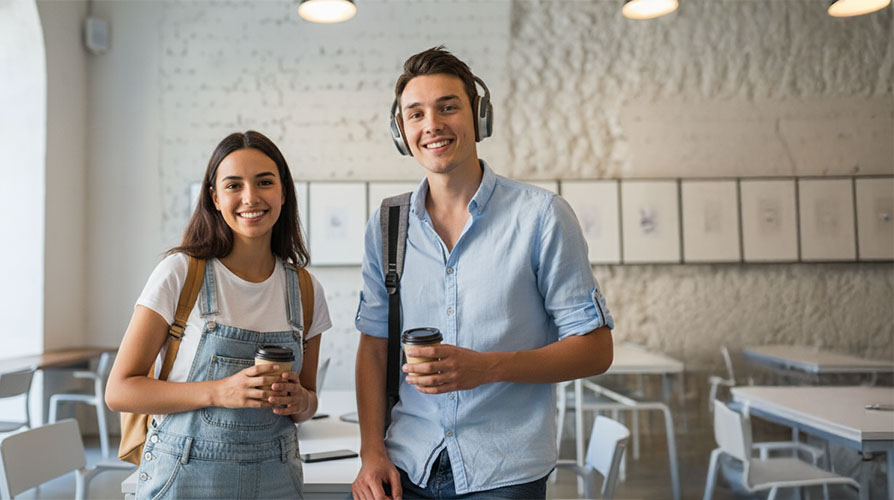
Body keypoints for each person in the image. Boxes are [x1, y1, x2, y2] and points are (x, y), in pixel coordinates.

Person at [351, 47, 615, 500]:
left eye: (448, 107)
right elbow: (374, 346)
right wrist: (371, 452)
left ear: (479, 116)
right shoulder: (387, 225)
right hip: (406, 463)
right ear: (402, 131)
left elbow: (595, 350)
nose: (431, 124)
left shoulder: (542, 217)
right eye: (415, 114)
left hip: (504, 471)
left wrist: (488, 367)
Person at [106, 130, 332, 500]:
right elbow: (119, 391)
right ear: (214, 197)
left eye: (264, 182)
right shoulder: (179, 273)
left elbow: (307, 403)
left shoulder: (306, 290)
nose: (250, 197)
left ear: (284, 192)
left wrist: (301, 401)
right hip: (185, 474)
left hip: (277, 478)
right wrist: (219, 391)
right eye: (233, 185)